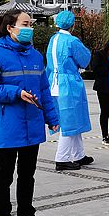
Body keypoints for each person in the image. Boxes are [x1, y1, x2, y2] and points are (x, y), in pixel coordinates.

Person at [0, 10, 60, 216]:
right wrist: (15, 92)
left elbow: (44, 89)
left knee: (27, 174)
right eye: (25, 24)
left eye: (30, 24)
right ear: (10, 28)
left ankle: (26, 215)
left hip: (32, 125)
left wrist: (52, 118)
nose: (29, 28)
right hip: (7, 125)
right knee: (5, 174)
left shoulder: (35, 56)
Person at [46, 10, 94, 170]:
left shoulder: (53, 39)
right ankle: (62, 158)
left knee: (72, 120)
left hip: (54, 82)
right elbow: (85, 59)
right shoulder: (72, 41)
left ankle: (79, 154)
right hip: (68, 84)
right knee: (69, 122)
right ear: (72, 25)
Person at [92, 38, 109, 144]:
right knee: (105, 112)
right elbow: (95, 69)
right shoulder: (99, 54)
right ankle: (105, 135)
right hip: (103, 87)